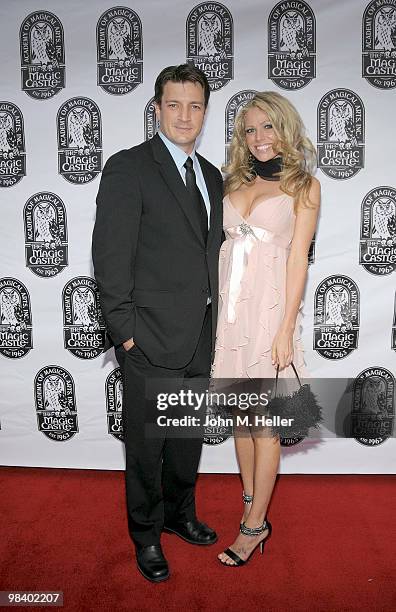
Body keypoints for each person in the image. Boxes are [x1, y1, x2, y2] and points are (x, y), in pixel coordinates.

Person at [92, 64, 223, 582]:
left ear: (205, 112)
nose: (184, 115)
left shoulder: (211, 175)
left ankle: (179, 514)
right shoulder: (129, 167)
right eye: (174, 105)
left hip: (200, 335)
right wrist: (125, 331)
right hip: (147, 335)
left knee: (187, 437)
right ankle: (146, 534)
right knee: (147, 446)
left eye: (194, 106)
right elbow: (110, 255)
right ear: (157, 108)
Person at [211, 91, 320, 566]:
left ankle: (253, 529)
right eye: (250, 129)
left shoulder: (304, 186)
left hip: (269, 314)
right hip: (231, 316)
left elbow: (297, 260)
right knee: (241, 420)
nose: (258, 138)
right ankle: (251, 508)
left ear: (284, 128)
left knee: (266, 427)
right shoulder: (230, 182)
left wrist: (285, 328)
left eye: (267, 127)